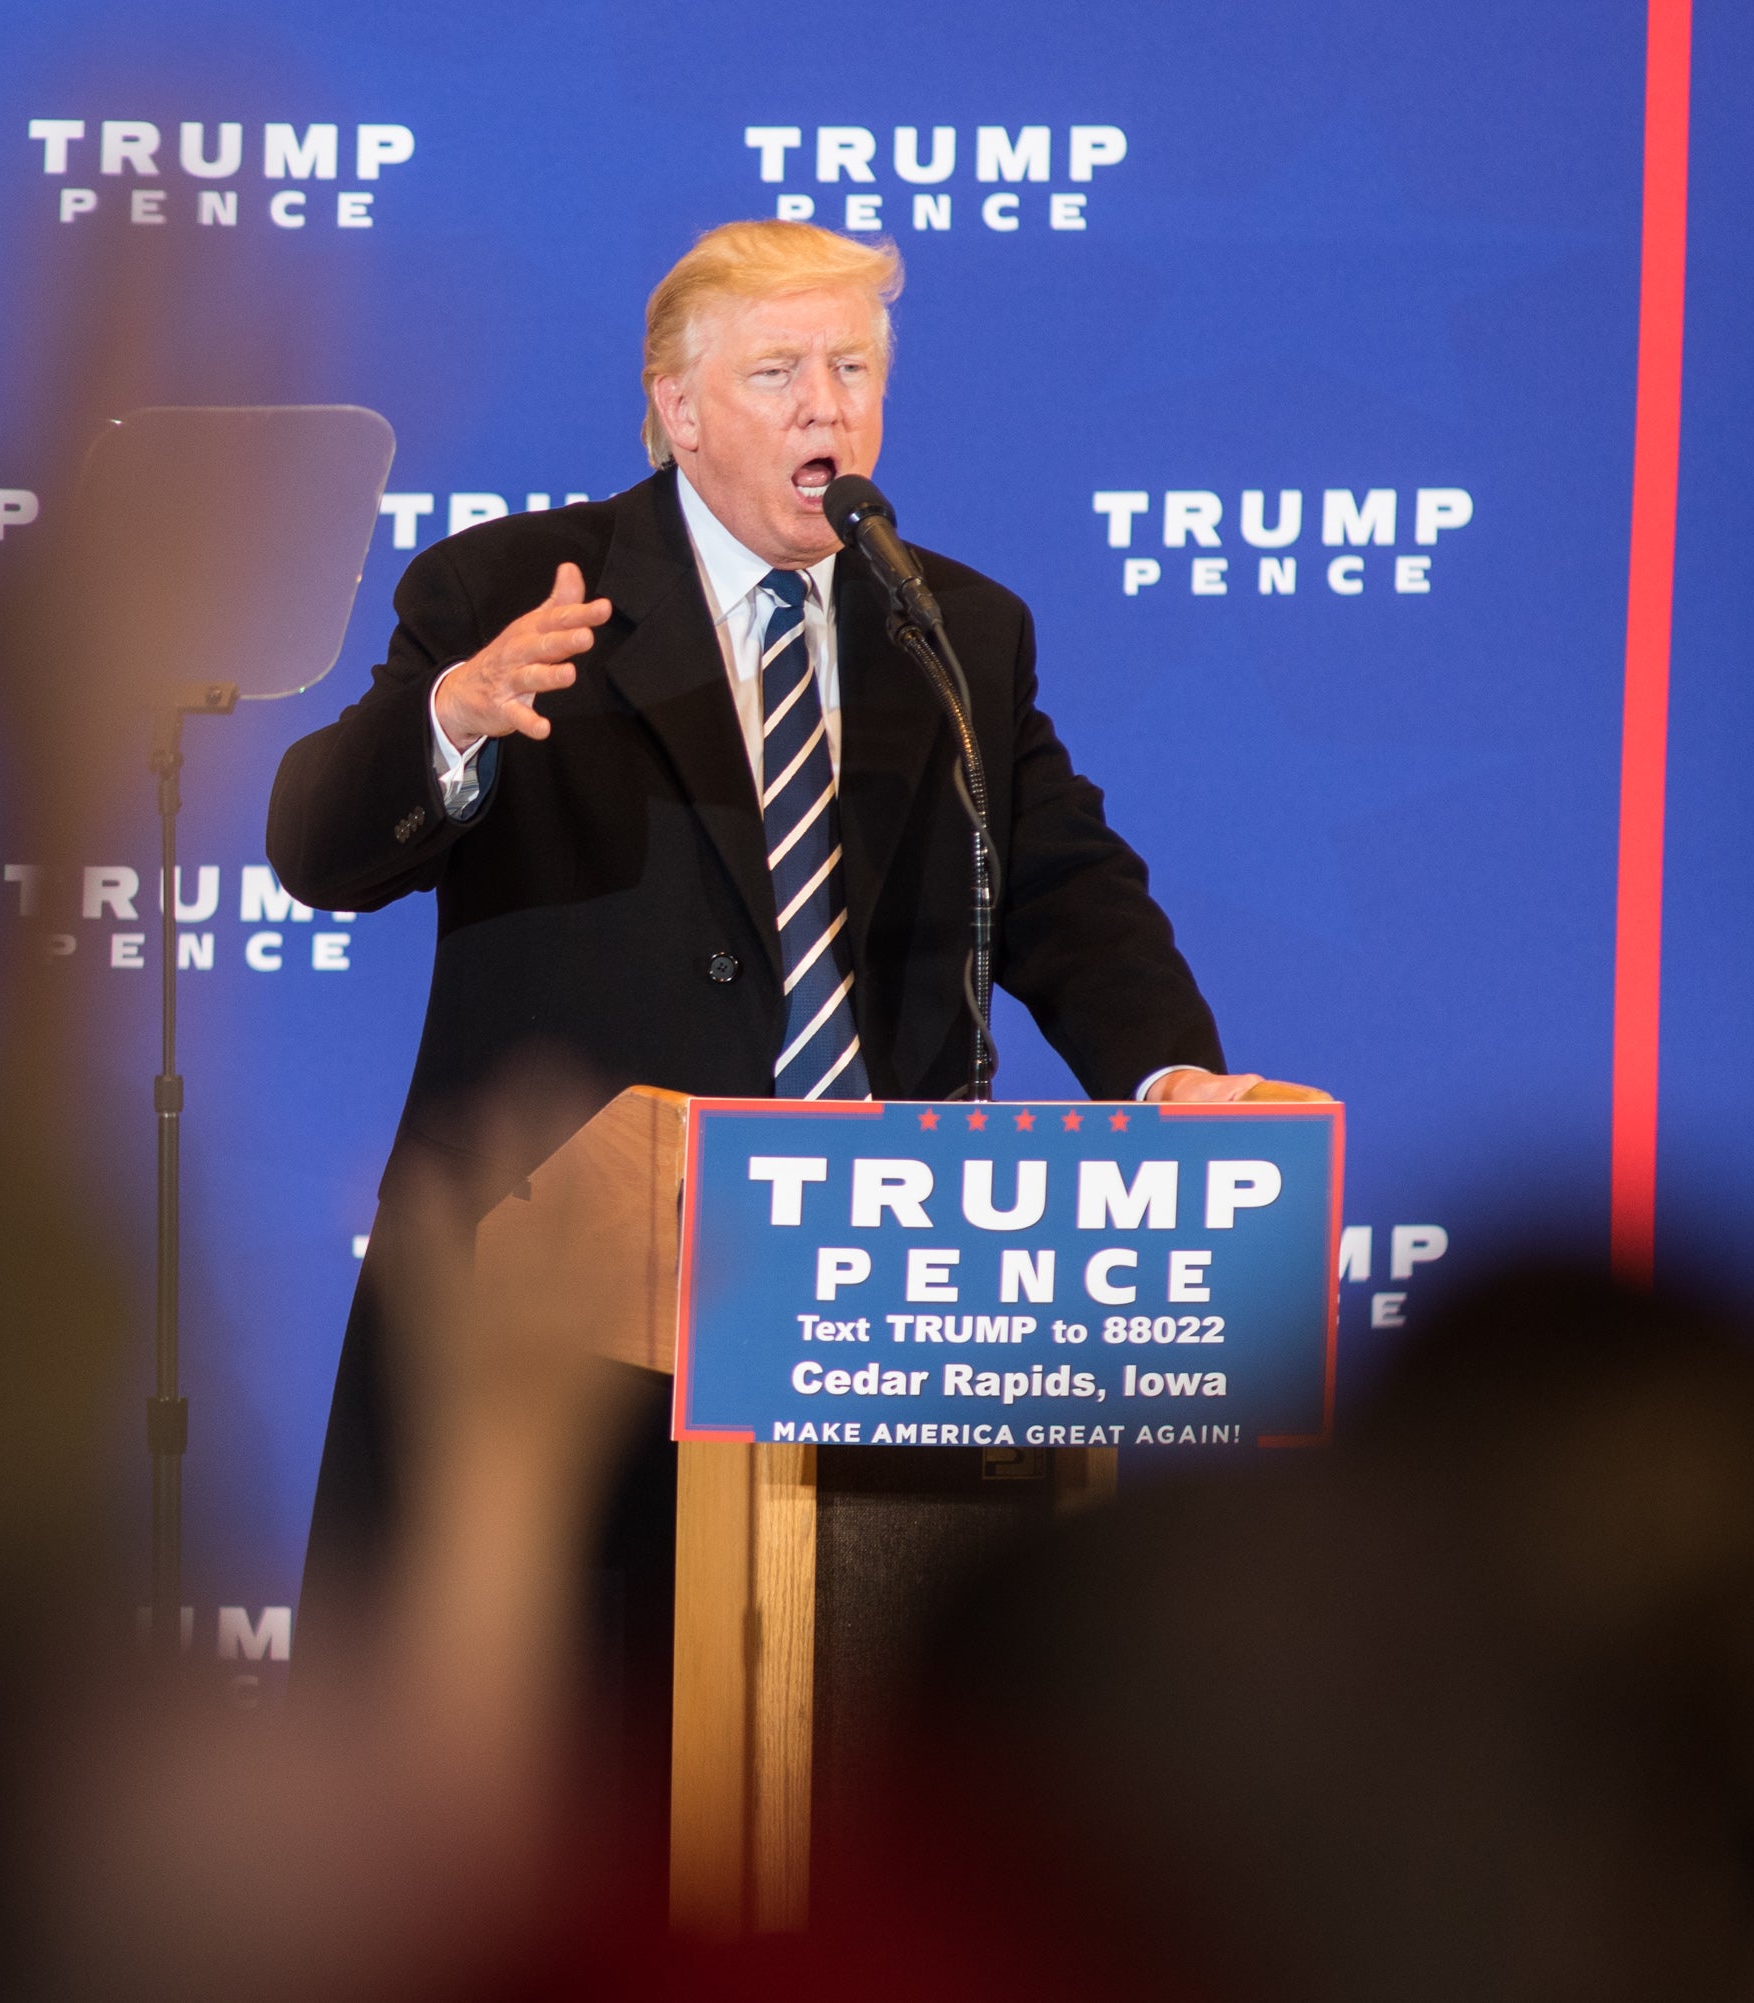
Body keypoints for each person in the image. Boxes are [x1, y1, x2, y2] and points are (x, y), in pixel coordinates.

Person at [266, 219, 1325, 1830]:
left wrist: (1170, 1074)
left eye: (853, 370)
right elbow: (315, 849)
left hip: (866, 1307)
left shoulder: (954, 628)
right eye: (779, 373)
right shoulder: (516, 587)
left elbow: (1064, 883)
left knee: (850, 1784)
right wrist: (453, 718)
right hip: (570, 1316)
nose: (826, 405)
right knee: (540, 1801)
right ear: (680, 409)